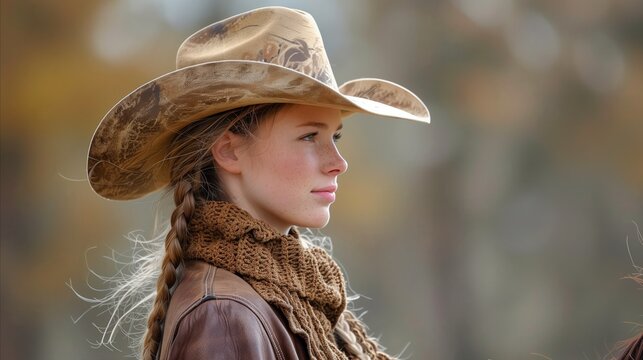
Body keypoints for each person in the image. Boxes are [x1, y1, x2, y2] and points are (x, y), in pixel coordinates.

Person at [85, 6, 430, 360]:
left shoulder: (295, 294)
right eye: (310, 136)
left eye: (335, 138)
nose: (338, 164)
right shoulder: (224, 319)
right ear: (230, 151)